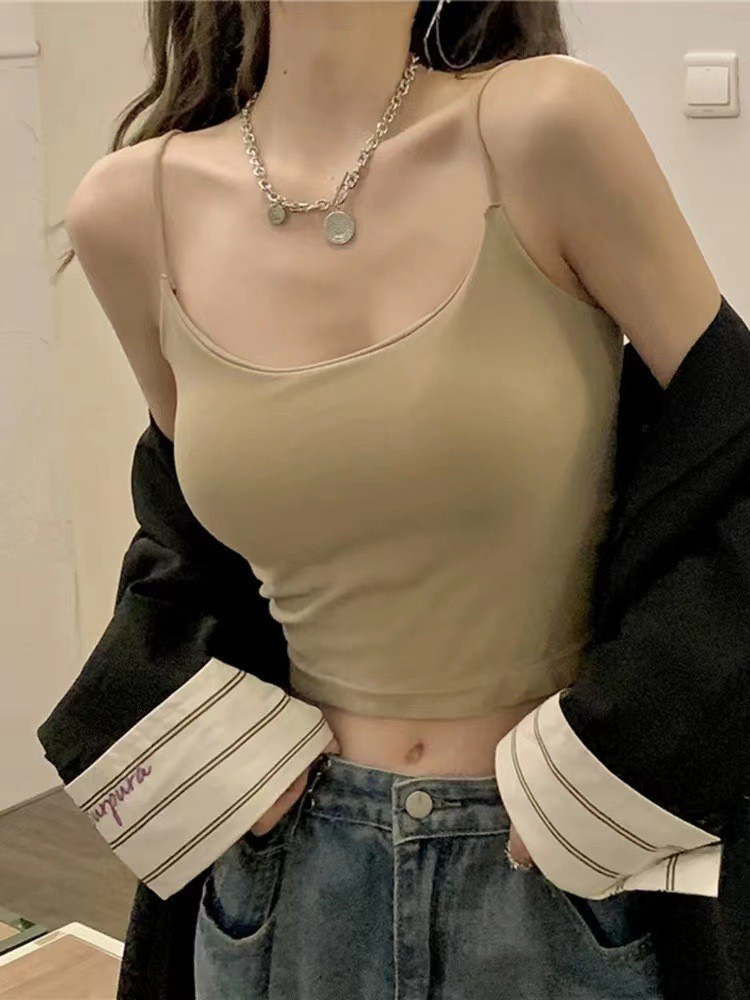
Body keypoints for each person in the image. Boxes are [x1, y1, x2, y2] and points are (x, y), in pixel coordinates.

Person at [40, 1, 739, 997]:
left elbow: (736, 452)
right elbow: (190, 548)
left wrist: (630, 741)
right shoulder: (129, 211)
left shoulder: (544, 129)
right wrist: (214, 757)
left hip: (552, 871)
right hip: (286, 880)